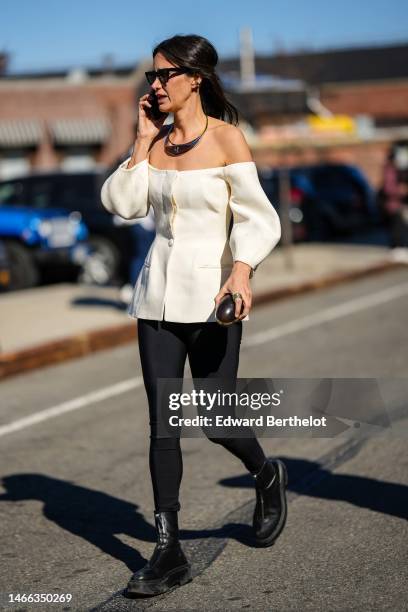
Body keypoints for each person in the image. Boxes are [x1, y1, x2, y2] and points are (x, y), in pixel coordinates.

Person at [101, 34, 287, 597]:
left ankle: (266, 472)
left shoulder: (228, 138)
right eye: (152, 77)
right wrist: (138, 142)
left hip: (213, 302)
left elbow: (260, 219)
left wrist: (242, 270)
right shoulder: (154, 144)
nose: (154, 85)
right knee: (163, 424)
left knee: (215, 420)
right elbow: (122, 204)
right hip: (155, 302)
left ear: (194, 79)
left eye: (163, 76)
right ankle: (168, 549)